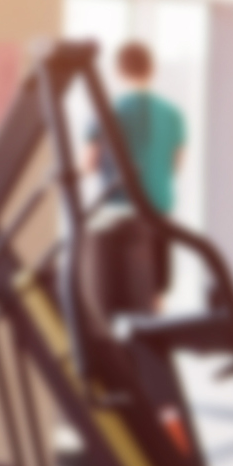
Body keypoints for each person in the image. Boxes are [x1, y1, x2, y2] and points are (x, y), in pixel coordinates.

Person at [86, 40, 189, 311]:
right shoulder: (173, 114)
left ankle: (123, 351)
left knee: (116, 295)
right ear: (152, 69)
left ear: (119, 71)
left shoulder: (106, 112)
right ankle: (158, 347)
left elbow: (88, 163)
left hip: (120, 215)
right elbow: (177, 165)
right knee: (155, 291)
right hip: (159, 211)